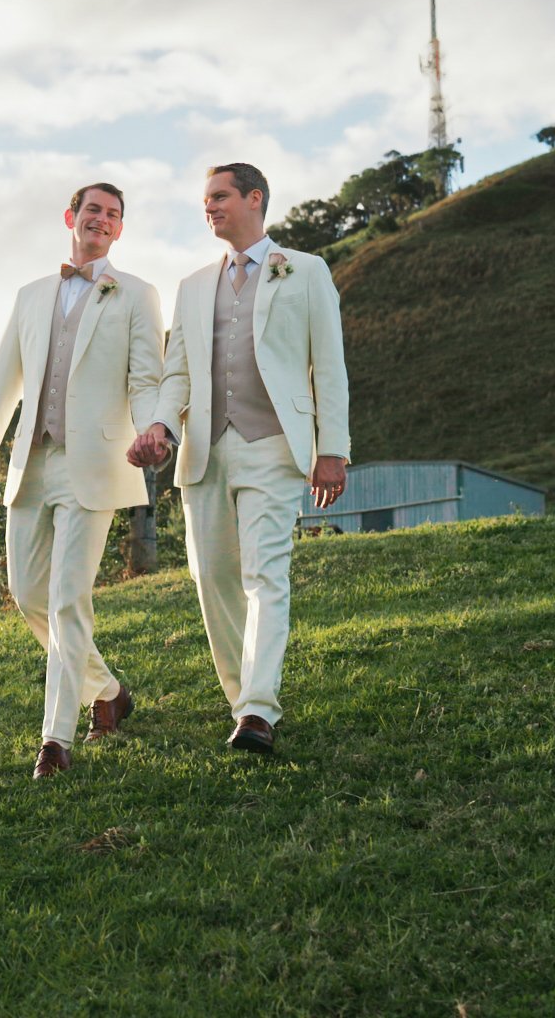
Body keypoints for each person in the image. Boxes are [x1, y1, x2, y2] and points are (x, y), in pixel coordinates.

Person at [128, 163, 349, 754]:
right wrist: (158, 424)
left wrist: (332, 449)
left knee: (265, 574)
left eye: (220, 196)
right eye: (205, 200)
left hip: (275, 445)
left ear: (255, 199)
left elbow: (328, 363)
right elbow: (178, 373)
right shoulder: (194, 285)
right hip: (205, 451)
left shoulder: (304, 271)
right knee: (214, 580)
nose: (210, 207)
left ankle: (258, 711)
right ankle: (242, 700)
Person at [0, 182, 164, 778]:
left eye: (114, 215)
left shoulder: (138, 295)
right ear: (72, 217)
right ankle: (109, 691)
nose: (101, 219)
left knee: (70, 600)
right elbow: (0, 391)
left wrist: (152, 428)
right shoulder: (31, 296)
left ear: (119, 231)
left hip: (96, 464)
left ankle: (55, 740)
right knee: (28, 595)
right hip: (33, 463)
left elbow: (147, 378)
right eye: (92, 209)